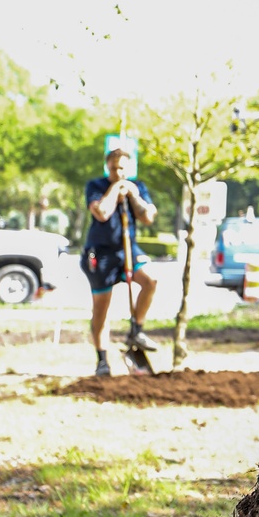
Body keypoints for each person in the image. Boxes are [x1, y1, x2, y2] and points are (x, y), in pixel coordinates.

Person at [80, 146, 158, 376]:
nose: (118, 172)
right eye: (113, 168)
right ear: (107, 167)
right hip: (100, 252)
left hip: (128, 250)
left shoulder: (138, 187)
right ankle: (102, 360)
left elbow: (148, 217)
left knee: (150, 280)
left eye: (122, 168)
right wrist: (115, 189)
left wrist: (133, 195)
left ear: (129, 167)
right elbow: (101, 212)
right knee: (102, 308)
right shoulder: (95, 186)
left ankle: (136, 329)